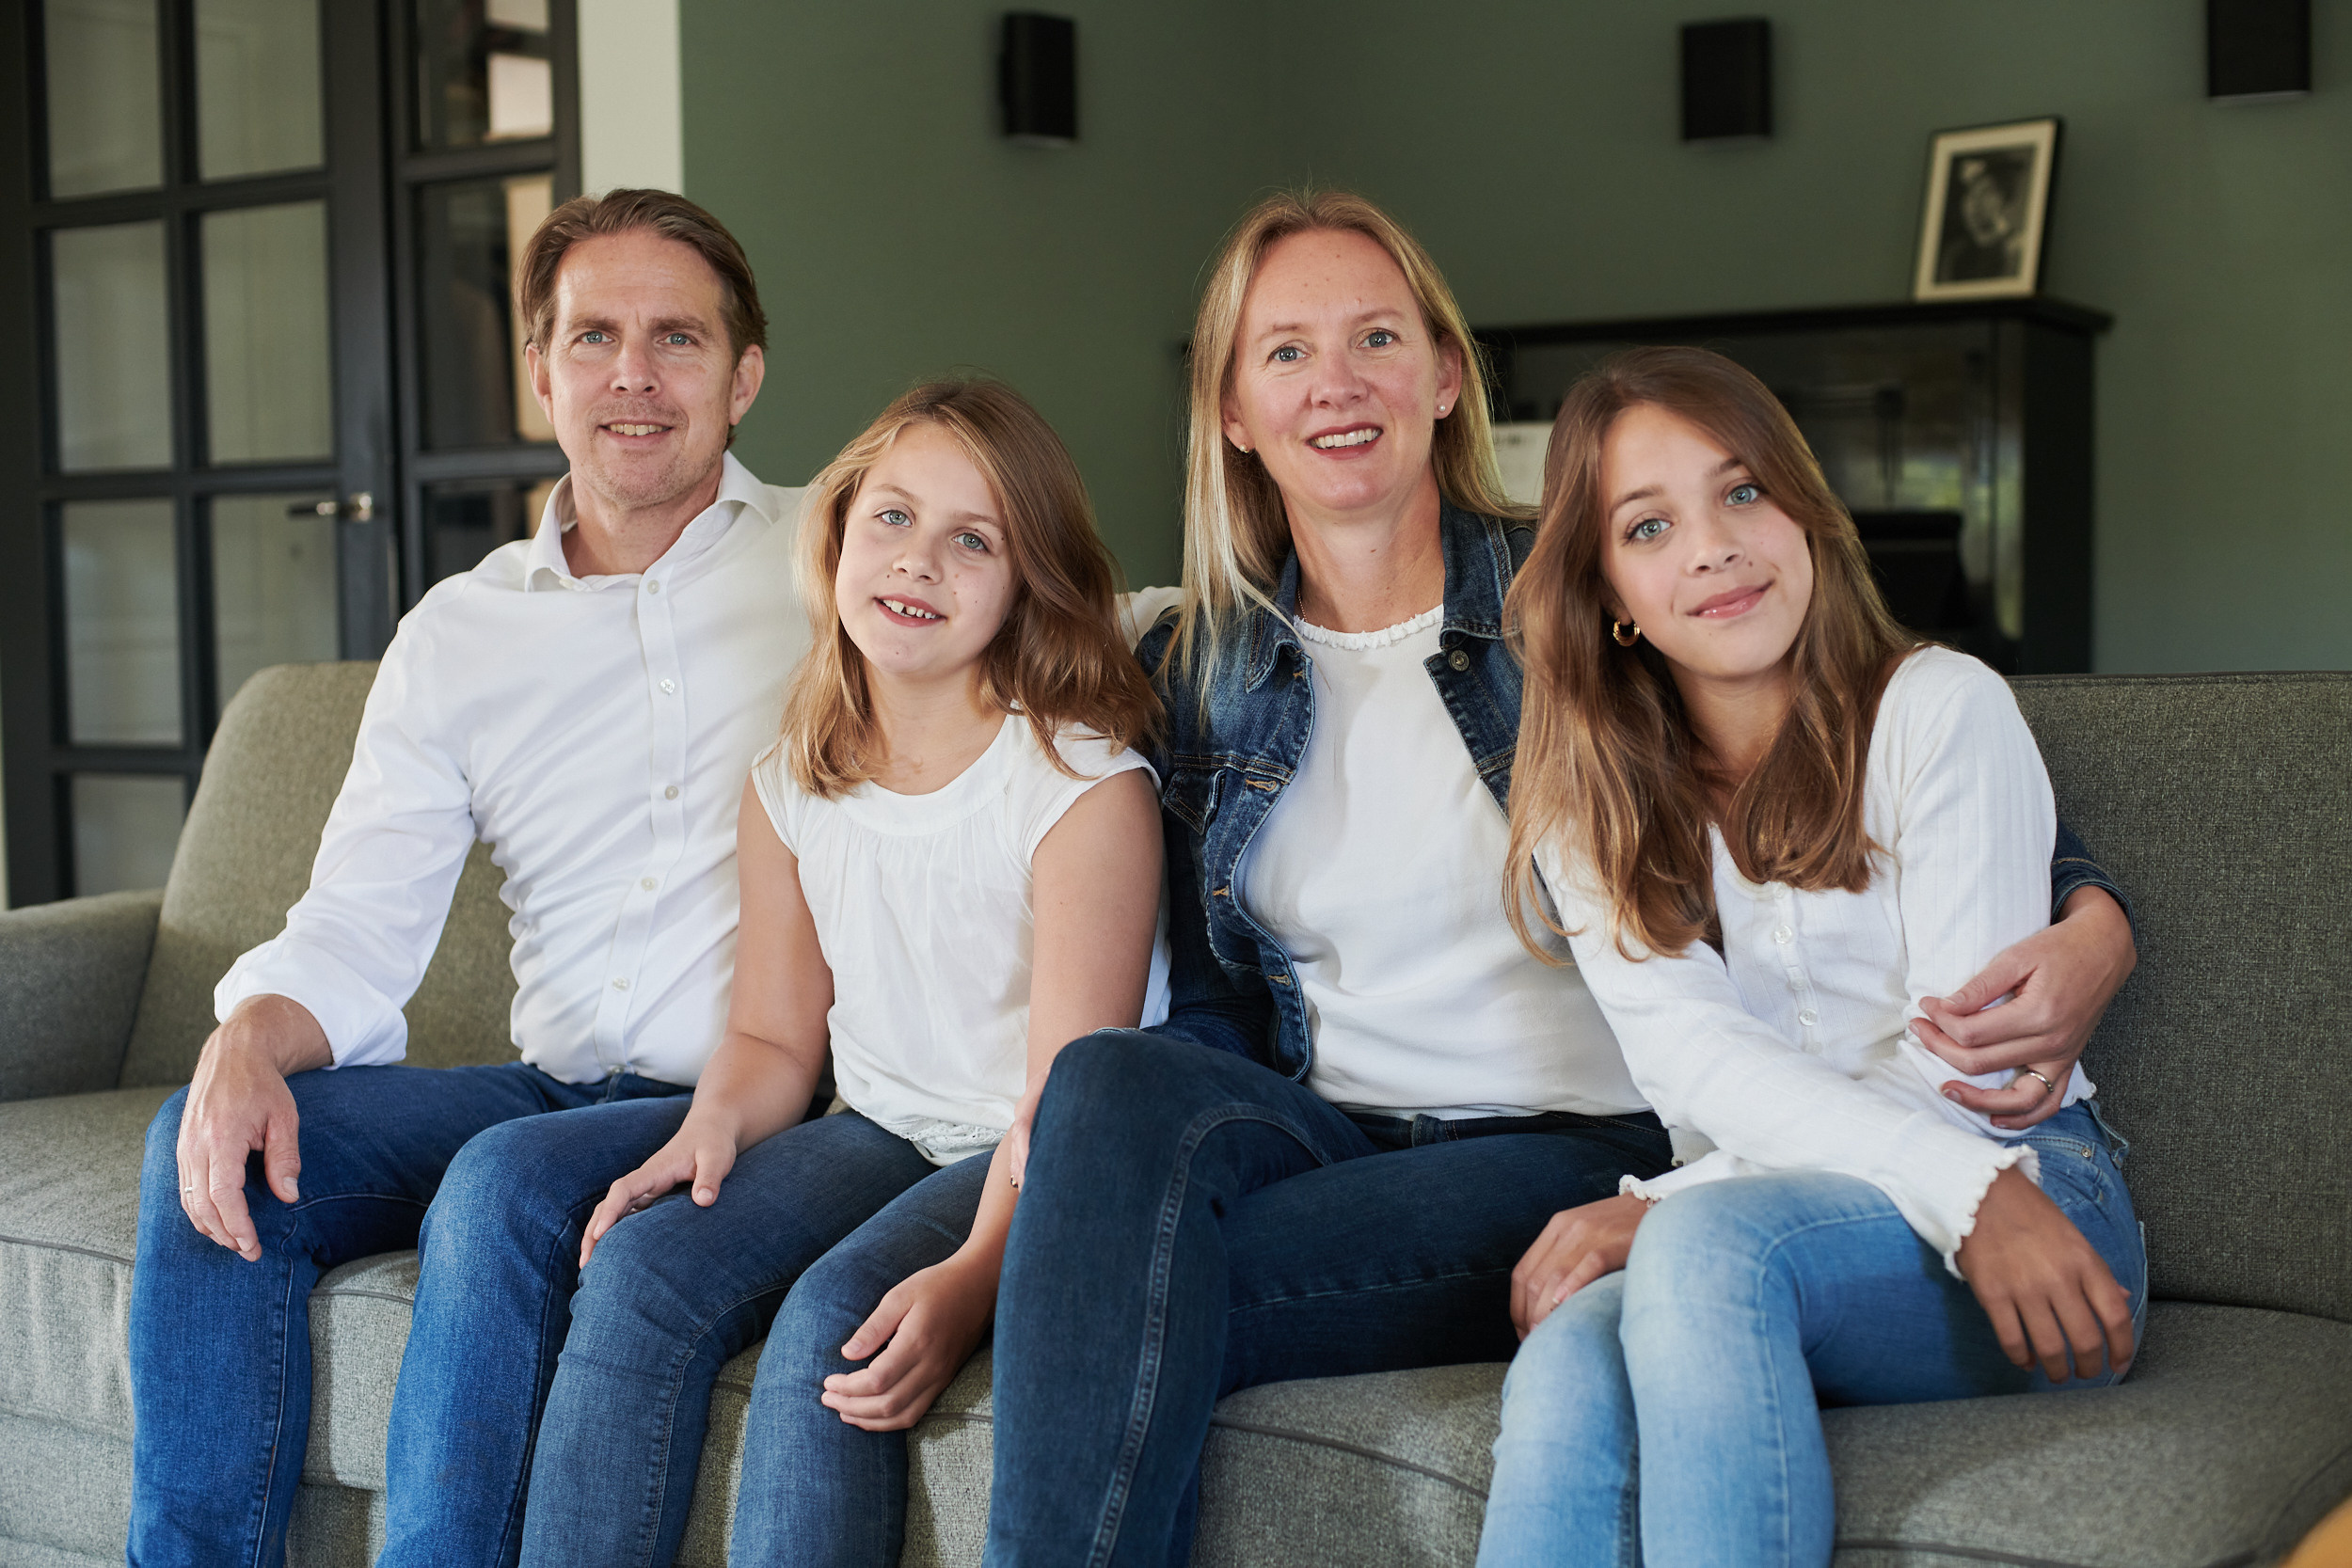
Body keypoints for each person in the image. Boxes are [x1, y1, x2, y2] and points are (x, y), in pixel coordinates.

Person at [979, 189, 2141, 1566]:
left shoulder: (1573, 605)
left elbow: (1883, 780)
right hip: (1347, 1130)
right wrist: (1043, 1188)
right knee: (1107, 1115)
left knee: (1122, 1303)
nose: (1336, 381)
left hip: (1585, 1138)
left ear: (1445, 372)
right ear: (1230, 406)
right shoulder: (1212, 663)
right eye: (1286, 350)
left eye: (1374, 336)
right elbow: (1209, 979)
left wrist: (2095, 916)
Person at [126, 189, 806, 1568]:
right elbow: (358, 920)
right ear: (541, 371)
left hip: (759, 1097)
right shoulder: (458, 631)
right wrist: (247, 1034)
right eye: (594, 336)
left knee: (501, 1182)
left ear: (743, 377)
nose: (632, 374)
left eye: (676, 338)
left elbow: (1042, 635)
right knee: (206, 1143)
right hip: (552, 1088)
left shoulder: (840, 557)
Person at [1475, 346, 2146, 1568]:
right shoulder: (1590, 802)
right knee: (1568, 1352)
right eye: (1648, 525)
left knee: (1701, 1247)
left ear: (1805, 512)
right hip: (1790, 1222)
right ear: (1610, 589)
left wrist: (1667, 1203)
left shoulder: (1941, 708)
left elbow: (1967, 1074)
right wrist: (1685, 1205)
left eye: (1743, 491)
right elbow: (1697, 1063)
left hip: (2032, 1195)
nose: (1713, 547)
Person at [517, 378, 1168, 1567]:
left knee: (835, 1319)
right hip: (876, 1123)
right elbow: (774, 1039)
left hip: (1024, 1150)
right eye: (894, 517)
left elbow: (1064, 1108)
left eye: (973, 540)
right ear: (836, 534)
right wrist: (706, 1130)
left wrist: (977, 1271)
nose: (918, 560)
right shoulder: (790, 781)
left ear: (1030, 581)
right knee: (641, 1271)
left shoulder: (1080, 789)